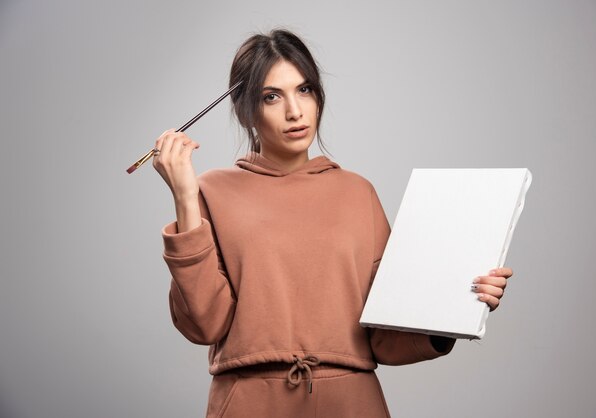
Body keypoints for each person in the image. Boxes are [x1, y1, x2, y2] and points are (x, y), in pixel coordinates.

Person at [152, 29, 512, 418]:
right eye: (271, 96)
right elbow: (204, 324)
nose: (295, 111)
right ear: (245, 111)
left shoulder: (358, 194)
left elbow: (384, 335)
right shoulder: (211, 192)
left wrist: (461, 303)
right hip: (250, 403)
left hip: (352, 402)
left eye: (304, 90)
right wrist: (185, 197)